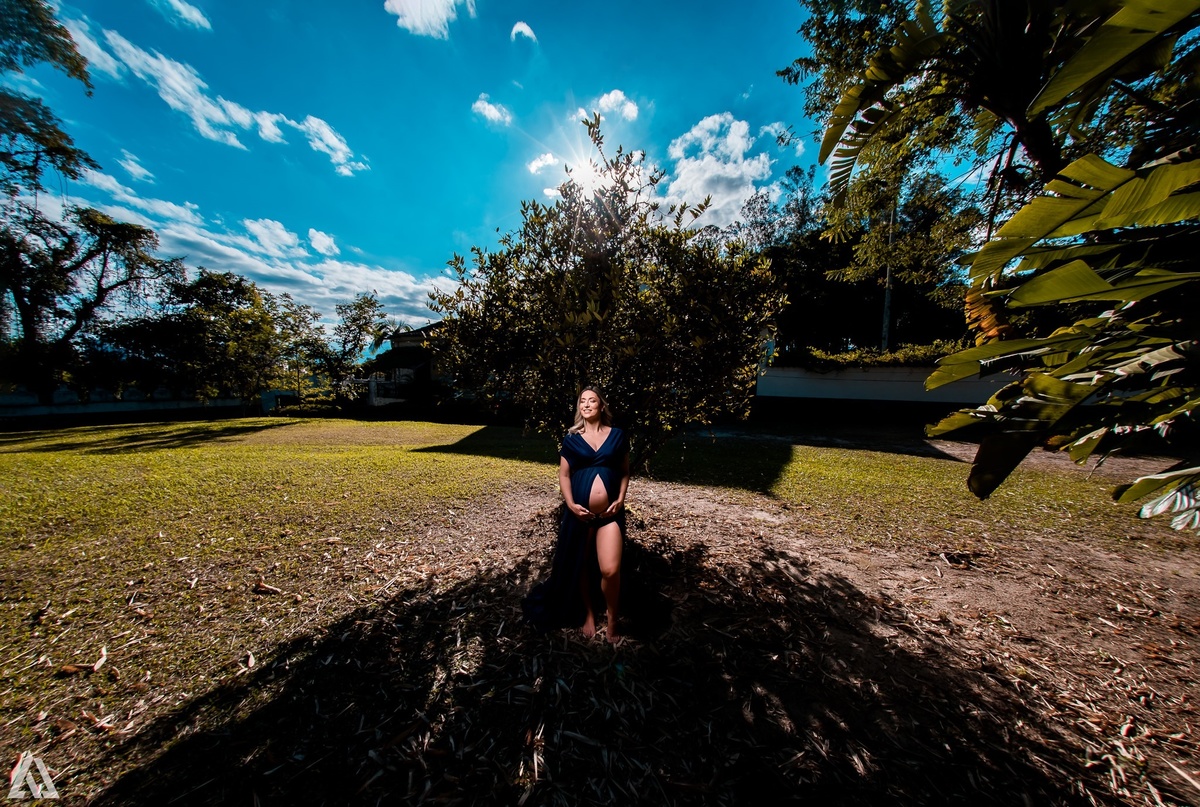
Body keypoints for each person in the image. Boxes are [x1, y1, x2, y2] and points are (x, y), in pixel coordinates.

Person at [523, 385, 630, 644]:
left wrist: (620, 499)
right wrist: (570, 504)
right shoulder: (571, 438)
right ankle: (589, 614)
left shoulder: (617, 435)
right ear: (579, 407)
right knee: (579, 565)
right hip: (578, 514)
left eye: (592, 401)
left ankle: (613, 618)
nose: (587, 405)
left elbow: (625, 471)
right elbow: (564, 474)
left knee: (610, 569)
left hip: (609, 515)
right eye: (582, 401)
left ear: (601, 405)